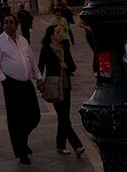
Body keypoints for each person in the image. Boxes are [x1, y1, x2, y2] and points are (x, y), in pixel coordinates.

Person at [0, 14, 41, 166]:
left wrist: (38, 77)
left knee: (34, 116)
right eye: (6, 22)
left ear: (16, 24)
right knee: (15, 119)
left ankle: (22, 141)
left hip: (26, 83)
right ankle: (21, 152)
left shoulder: (23, 40)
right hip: (11, 84)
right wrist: (4, 81)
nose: (8, 24)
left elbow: (31, 60)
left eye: (11, 22)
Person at [38, 24, 85, 157]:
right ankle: (77, 145)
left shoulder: (65, 48)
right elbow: (40, 67)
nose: (61, 34)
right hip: (53, 87)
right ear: (51, 36)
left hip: (66, 87)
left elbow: (73, 67)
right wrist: (39, 81)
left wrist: (67, 66)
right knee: (64, 117)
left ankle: (60, 145)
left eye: (61, 32)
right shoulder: (46, 50)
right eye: (58, 32)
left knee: (63, 117)